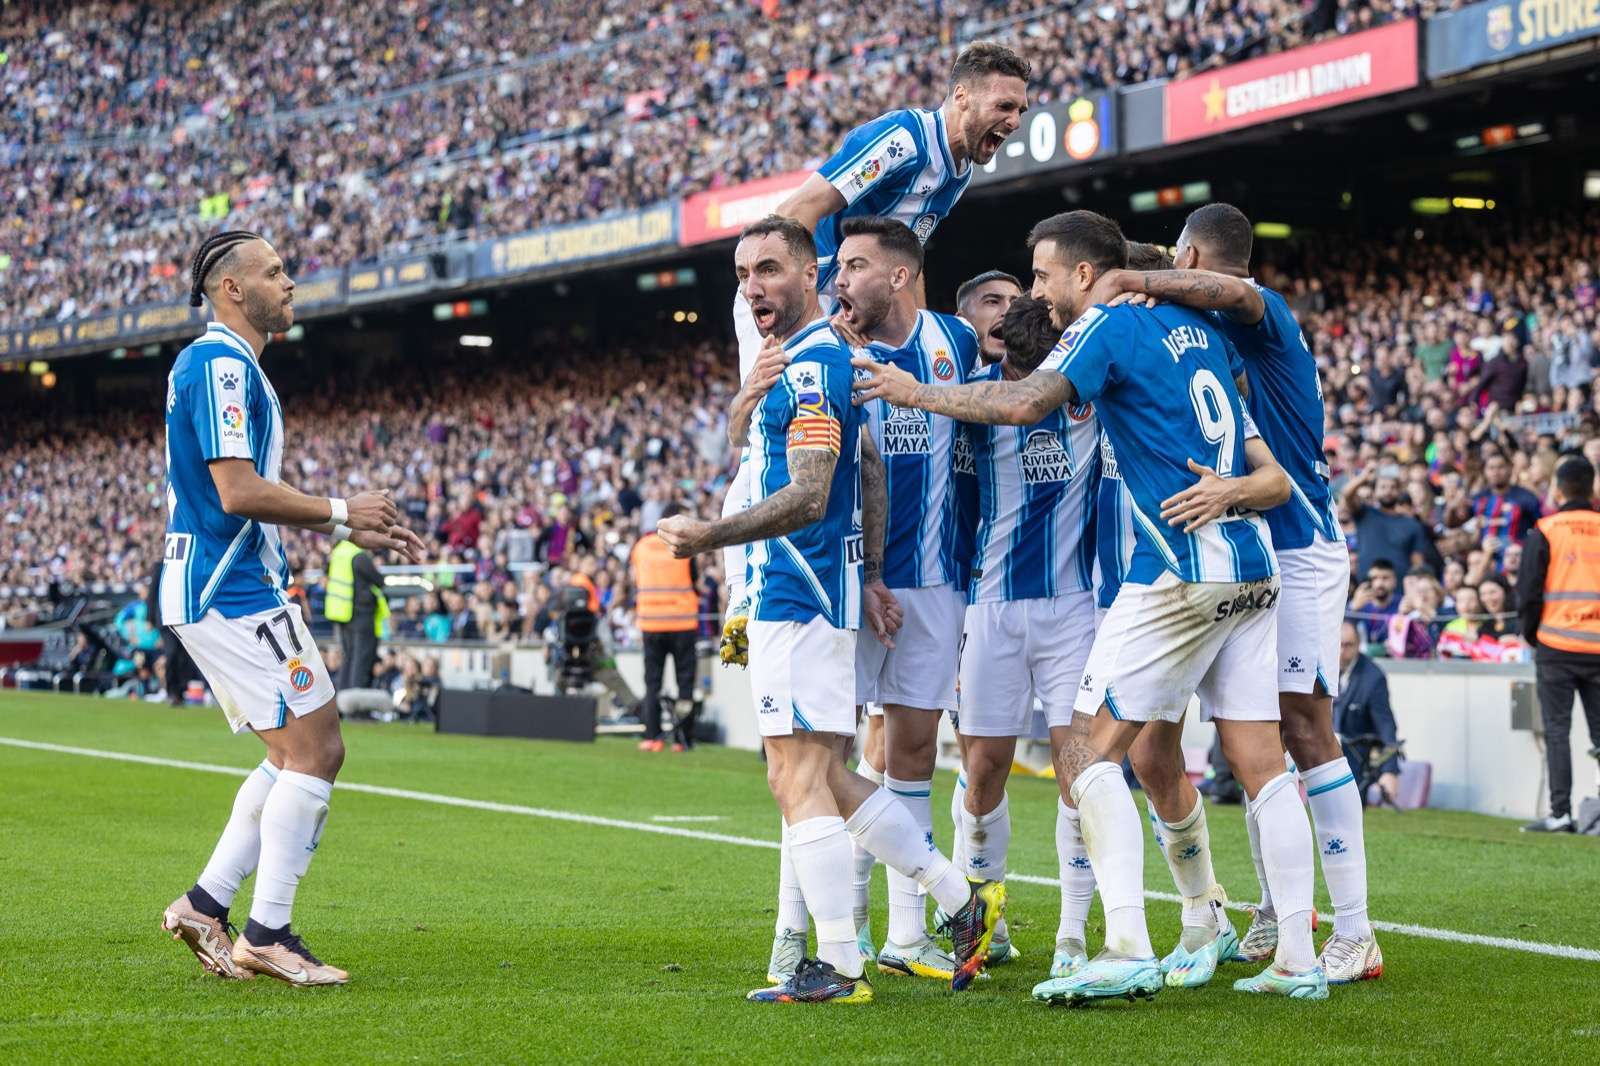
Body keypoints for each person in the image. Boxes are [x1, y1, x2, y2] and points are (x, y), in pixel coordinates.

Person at [854, 209, 1325, 1003]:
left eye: (1040, 275)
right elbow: (1272, 475)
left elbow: (1022, 404)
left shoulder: (1105, 323)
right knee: (1262, 765)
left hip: (1174, 570)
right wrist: (1236, 492)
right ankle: (1298, 961)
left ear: (1081, 273)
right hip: (1253, 564)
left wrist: (914, 391)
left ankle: (1122, 946)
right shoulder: (1200, 330)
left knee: (1085, 754)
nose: (1033, 292)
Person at [656, 216, 1003, 1004]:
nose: (754, 287)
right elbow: (870, 465)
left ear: (810, 275)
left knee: (794, 778)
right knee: (825, 774)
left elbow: (812, 491)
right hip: (822, 589)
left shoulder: (813, 365)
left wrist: (710, 534)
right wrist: (873, 567)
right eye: (744, 273)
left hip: (800, 591)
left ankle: (840, 966)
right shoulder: (814, 360)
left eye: (771, 269)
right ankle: (959, 899)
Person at [1098, 202, 1381, 983]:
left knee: (1303, 726)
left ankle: (1355, 932)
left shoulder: (1263, 313)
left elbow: (1235, 294)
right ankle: (1275, 912)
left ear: (1193, 258)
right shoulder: (1198, 337)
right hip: (1242, 549)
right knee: (1246, 739)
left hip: (1298, 538)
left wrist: (1130, 275)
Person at [157, 230, 424, 987]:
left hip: (226, 584)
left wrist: (340, 519)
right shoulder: (219, 365)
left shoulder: (226, 366)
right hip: (227, 588)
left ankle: (206, 904)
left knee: (291, 753)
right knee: (318, 749)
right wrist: (343, 511)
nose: (290, 282)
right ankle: (267, 932)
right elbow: (236, 491)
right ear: (232, 289)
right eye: (274, 272)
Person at [719, 41, 1030, 665]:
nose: (1014, 122)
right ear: (961, 96)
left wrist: (917, 329)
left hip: (841, 310)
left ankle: (848, 580)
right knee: (767, 442)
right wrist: (806, 307)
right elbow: (798, 212)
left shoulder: (959, 171)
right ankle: (743, 603)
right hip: (794, 300)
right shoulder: (903, 142)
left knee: (855, 449)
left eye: (1021, 110)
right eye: (1004, 105)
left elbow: (905, 262)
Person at [831, 216, 981, 979]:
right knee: (833, 752)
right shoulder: (828, 350)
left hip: (935, 584)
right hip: (853, 582)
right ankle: (840, 925)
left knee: (912, 751)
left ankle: (905, 934)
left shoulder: (954, 343)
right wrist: (864, 576)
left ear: (897, 275)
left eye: (855, 264)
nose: (841, 278)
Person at [948, 292, 1099, 978]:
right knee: (982, 771)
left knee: (1080, 772)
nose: (1019, 380)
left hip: (1073, 609)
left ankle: (1071, 933)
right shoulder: (980, 407)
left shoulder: (1089, 404)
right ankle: (984, 920)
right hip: (993, 608)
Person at [1515, 455, 1600, 833]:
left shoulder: (1546, 530)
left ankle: (1561, 813)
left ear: (1559, 489)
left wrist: (1533, 634)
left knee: (1557, 730)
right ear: (1591, 487)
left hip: (1556, 645)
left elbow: (1529, 591)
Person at [630, 502, 701, 753]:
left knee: (652, 683)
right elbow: (694, 580)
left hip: (651, 623)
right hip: (682, 622)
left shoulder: (641, 548)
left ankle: (652, 736)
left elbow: (635, 580)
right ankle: (683, 739)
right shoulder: (684, 544)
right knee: (685, 685)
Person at [1333, 622, 1401, 804]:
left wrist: (1389, 771)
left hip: (1356, 760)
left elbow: (1386, 725)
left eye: (1348, 645)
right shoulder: (1321, 667)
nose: (1341, 651)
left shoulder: (1373, 677)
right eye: (1338, 644)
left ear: (1358, 645)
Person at [1343, 464, 1430, 578]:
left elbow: (1417, 563)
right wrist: (1364, 477)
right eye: (1383, 487)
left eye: (1393, 487)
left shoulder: (1412, 525)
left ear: (1399, 491)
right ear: (1374, 491)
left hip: (1398, 590)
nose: (1388, 491)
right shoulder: (1364, 513)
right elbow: (1347, 494)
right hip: (1366, 586)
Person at [324, 536, 387, 689]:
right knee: (361, 660)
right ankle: (355, 704)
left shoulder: (338, 552)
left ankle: (344, 700)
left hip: (342, 615)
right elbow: (380, 581)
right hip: (361, 615)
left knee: (349, 658)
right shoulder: (358, 556)